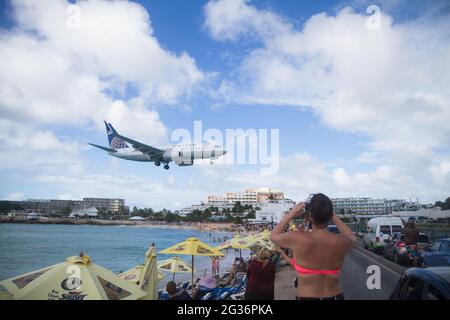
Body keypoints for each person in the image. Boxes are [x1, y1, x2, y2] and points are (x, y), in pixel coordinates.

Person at [270, 193, 356, 300]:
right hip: (335, 296)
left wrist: (292, 213)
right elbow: (352, 237)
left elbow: (273, 235)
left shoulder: (298, 238)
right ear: (329, 215)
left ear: (310, 216)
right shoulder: (341, 241)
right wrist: (332, 215)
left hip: (307, 297)